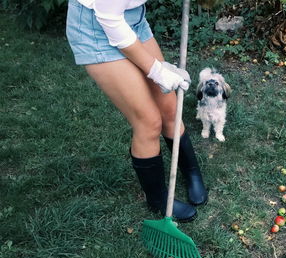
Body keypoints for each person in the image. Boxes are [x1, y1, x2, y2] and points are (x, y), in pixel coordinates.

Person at [65, 0, 208, 222]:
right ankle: (158, 199)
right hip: (97, 28)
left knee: (170, 106)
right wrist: (157, 70)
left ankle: (191, 172)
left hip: (132, 19)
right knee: (149, 121)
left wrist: (158, 69)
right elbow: (110, 19)